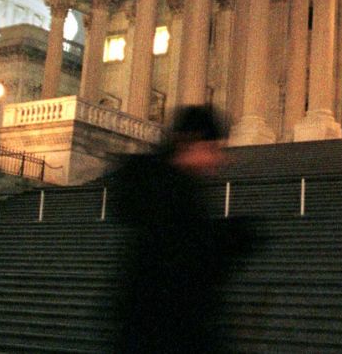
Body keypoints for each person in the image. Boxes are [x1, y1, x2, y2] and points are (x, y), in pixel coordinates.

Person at [109, 105, 256, 353]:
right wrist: (229, 239)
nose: (218, 158)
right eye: (212, 148)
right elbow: (181, 265)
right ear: (191, 142)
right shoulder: (167, 194)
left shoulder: (172, 190)